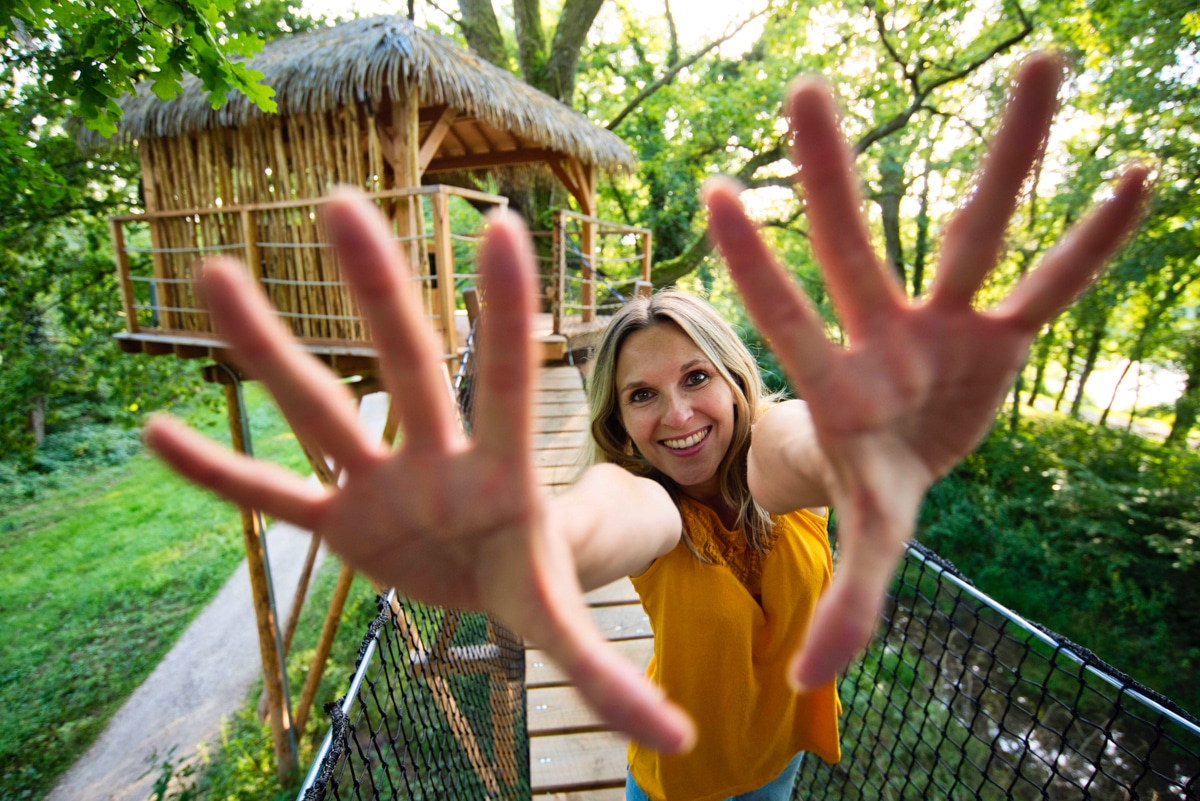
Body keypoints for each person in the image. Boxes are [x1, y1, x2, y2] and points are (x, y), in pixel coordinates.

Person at [144, 53, 1148, 801]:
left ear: (737, 384)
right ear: (617, 423)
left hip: (783, 765)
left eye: (695, 379)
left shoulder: (771, 451)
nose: (675, 415)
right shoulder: (645, 498)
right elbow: (596, 523)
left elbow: (803, 452)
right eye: (639, 395)